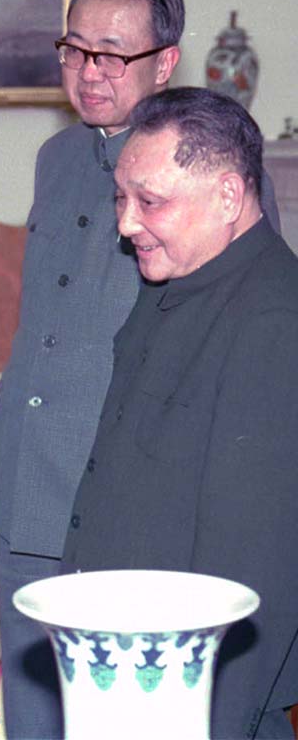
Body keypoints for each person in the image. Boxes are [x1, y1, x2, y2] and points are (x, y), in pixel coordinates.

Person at [0, 0, 281, 739]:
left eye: (112, 53)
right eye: (74, 49)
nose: (87, 71)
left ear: (165, 62)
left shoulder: (210, 179)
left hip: (108, 494)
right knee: (34, 721)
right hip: (22, 480)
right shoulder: (57, 158)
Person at [62, 86, 298, 739]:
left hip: (199, 702)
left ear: (227, 196)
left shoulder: (276, 321)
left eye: (151, 202)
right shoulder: (171, 282)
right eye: (121, 198)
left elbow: (258, 564)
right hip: (130, 676)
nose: (126, 224)